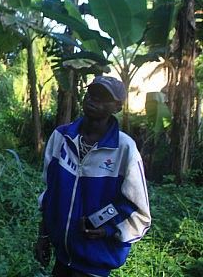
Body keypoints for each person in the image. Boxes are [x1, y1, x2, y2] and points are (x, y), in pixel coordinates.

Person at [34, 76, 151, 277]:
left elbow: (140, 213)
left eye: (103, 97)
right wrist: (43, 235)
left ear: (117, 107)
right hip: (62, 259)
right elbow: (49, 193)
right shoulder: (61, 137)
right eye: (92, 93)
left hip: (94, 263)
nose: (93, 99)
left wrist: (107, 229)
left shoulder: (124, 149)